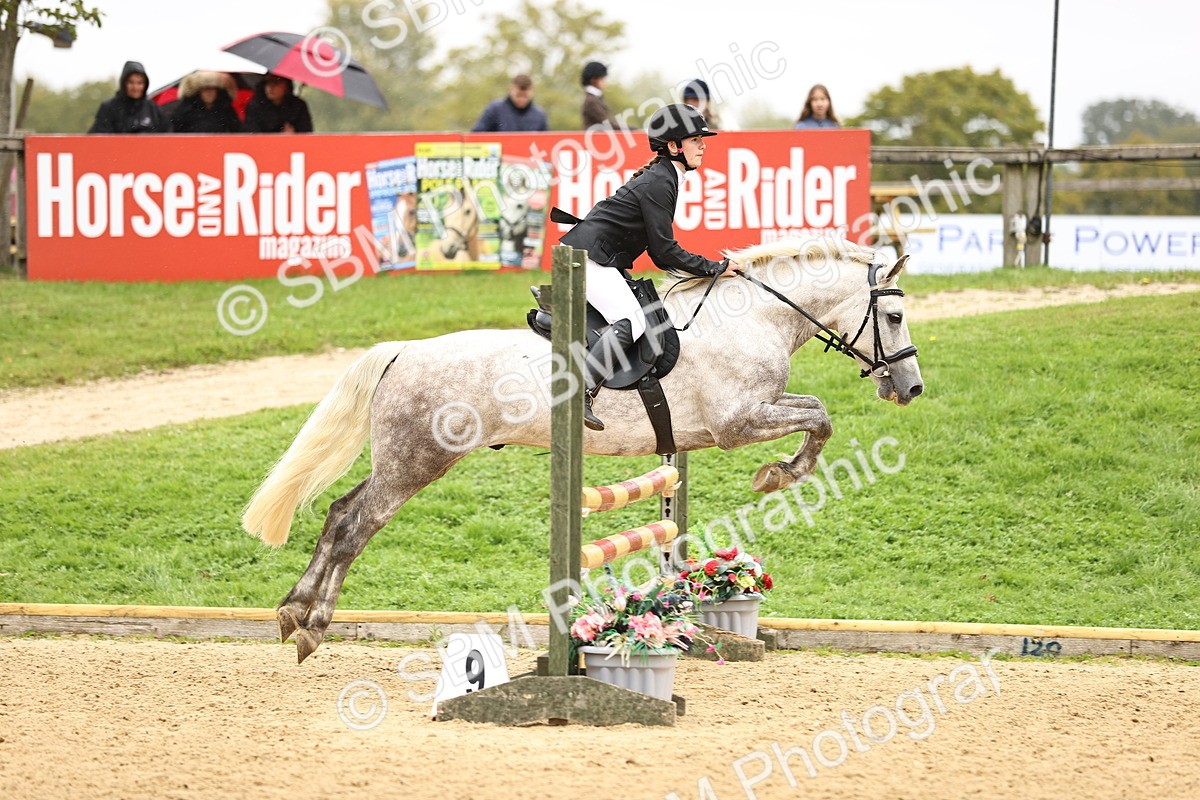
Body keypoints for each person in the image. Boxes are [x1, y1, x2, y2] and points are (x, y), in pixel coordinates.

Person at [559, 104, 740, 431]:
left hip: (596, 257)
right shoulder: (660, 181)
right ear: (674, 146)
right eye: (696, 139)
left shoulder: (665, 177)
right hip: (586, 259)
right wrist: (714, 267)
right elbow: (663, 252)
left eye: (702, 139)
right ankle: (579, 391)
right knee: (631, 321)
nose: (703, 145)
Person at [88, 61, 169, 134]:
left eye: (140, 83)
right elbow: (98, 136)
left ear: (145, 84)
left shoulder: (153, 108)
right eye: (131, 82)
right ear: (124, 83)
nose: (135, 87)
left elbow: (167, 134)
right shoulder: (109, 107)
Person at [472, 73, 548, 132]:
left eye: (525, 96)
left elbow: (546, 142)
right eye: (518, 95)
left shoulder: (539, 115)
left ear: (532, 91)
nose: (521, 99)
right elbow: (477, 135)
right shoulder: (495, 109)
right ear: (511, 89)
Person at [169, 71, 241, 133]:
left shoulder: (226, 110)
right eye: (206, 89)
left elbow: (237, 131)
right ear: (198, 92)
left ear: (218, 91)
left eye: (213, 89)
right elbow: (175, 133)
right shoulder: (184, 111)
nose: (209, 93)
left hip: (220, 146)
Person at [242, 73, 313, 133]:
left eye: (276, 82)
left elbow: (306, 133)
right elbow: (252, 134)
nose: (270, 87)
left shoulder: (298, 106)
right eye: (268, 82)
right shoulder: (255, 106)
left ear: (286, 86)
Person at [580, 60, 612, 129]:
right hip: (595, 138)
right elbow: (606, 122)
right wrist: (632, 129)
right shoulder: (591, 101)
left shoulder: (596, 98)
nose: (605, 81)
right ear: (593, 80)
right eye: (602, 78)